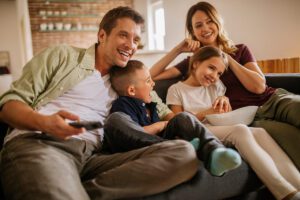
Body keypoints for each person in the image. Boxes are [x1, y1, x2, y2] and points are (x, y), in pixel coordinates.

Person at [0, 6, 200, 200]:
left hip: (93, 156)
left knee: (183, 153)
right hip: (43, 143)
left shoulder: (129, 81)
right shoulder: (63, 56)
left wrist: (192, 125)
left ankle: (80, 190)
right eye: (123, 35)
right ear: (102, 36)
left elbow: (168, 114)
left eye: (136, 39)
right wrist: (43, 123)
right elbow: (9, 105)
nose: (131, 45)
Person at [150, 1, 300, 170]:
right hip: (252, 118)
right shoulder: (194, 63)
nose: (205, 28)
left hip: (273, 100)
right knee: (291, 139)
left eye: (209, 21)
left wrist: (227, 58)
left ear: (217, 22)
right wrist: (178, 49)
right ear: (193, 32)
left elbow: (259, 87)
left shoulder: (240, 50)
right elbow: (151, 76)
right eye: (198, 25)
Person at [166, 46, 300, 200]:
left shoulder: (216, 86)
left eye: (219, 73)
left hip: (220, 126)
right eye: (211, 68)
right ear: (195, 63)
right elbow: (180, 122)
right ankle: (284, 192)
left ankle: (297, 184)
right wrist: (205, 113)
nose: (214, 76)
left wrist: (225, 99)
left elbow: (225, 112)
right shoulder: (176, 89)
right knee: (240, 131)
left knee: (261, 132)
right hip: (201, 132)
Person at [103, 59, 242, 177]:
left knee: (183, 117)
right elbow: (132, 134)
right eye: (147, 81)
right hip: (138, 148)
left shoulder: (151, 104)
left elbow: (172, 121)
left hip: (160, 142)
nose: (153, 84)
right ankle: (179, 147)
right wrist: (161, 125)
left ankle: (214, 152)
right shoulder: (124, 104)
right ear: (132, 90)